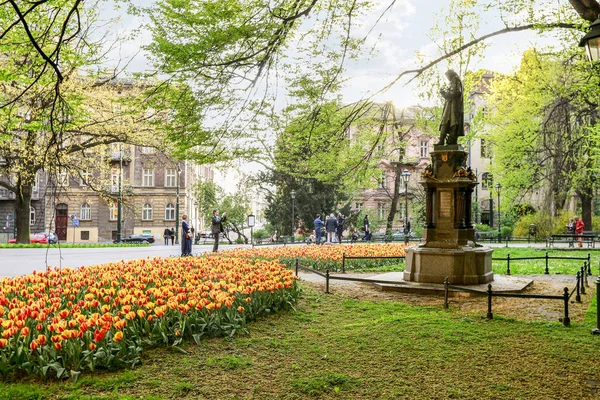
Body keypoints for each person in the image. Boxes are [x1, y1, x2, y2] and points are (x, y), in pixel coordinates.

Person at [437, 69, 464, 146]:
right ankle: (445, 140)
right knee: (448, 122)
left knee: (447, 121)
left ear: (450, 74)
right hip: (451, 105)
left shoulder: (455, 79)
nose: (447, 78)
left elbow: (455, 91)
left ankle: (446, 140)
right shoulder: (455, 80)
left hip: (452, 106)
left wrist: (444, 93)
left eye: (447, 76)